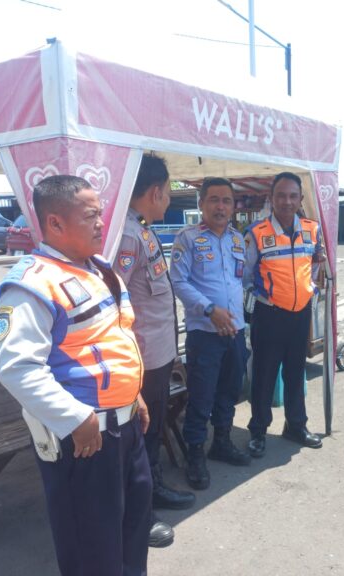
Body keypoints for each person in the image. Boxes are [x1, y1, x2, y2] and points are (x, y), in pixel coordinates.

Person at [0, 175, 151, 576]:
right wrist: (76, 419)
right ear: (55, 223)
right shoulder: (32, 284)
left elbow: (113, 338)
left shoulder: (98, 270)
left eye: (100, 214)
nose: (101, 223)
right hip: (86, 441)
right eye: (90, 216)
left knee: (132, 537)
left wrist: (133, 395)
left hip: (125, 429)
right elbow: (17, 368)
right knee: (92, 552)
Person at [113, 154, 195, 548]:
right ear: (155, 191)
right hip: (142, 360)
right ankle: (138, 518)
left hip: (158, 355)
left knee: (153, 432)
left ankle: (153, 489)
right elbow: (115, 301)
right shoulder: (129, 236)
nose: (169, 199)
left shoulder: (141, 230)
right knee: (139, 439)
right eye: (168, 191)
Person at [169, 177, 252, 490]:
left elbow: (240, 281)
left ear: (233, 206)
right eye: (214, 200)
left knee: (230, 391)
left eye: (226, 201)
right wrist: (209, 310)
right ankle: (195, 453)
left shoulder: (237, 239)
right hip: (204, 333)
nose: (220, 206)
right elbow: (178, 281)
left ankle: (222, 442)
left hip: (235, 331)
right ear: (201, 203)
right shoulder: (187, 238)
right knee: (201, 396)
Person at [243, 172, 326, 457]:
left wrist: (308, 289)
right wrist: (264, 296)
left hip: (300, 314)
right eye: (281, 195)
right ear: (272, 198)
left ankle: (296, 425)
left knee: (295, 371)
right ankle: (258, 431)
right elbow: (244, 274)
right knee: (264, 375)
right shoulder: (257, 232)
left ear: (301, 199)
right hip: (270, 316)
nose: (287, 201)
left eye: (293, 196)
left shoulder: (312, 229)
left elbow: (314, 265)